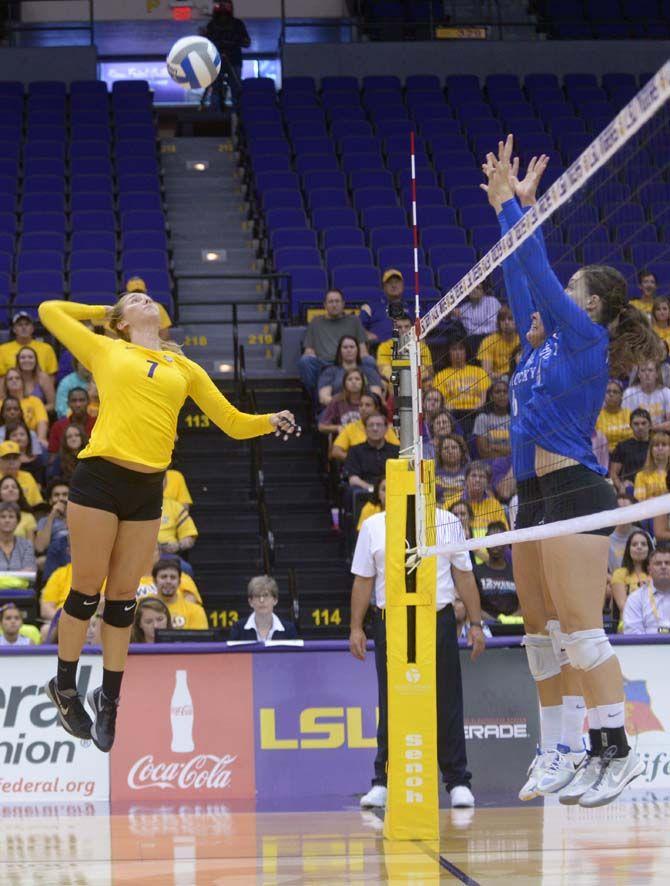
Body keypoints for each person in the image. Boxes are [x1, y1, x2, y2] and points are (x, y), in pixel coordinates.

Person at [483, 134, 662, 805]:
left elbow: (532, 259)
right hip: (531, 498)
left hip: (576, 489)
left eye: (571, 288)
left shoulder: (583, 339)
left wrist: (515, 207)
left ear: (591, 305)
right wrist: (510, 213)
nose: (559, 292)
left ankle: (615, 753)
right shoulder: (539, 344)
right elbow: (517, 272)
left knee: (583, 631)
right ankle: (557, 750)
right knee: (540, 637)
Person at [38, 293, 297, 753]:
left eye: (148, 296)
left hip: (147, 487)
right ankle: (65, 687)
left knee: (123, 599)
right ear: (121, 319)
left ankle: (109, 699)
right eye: (134, 299)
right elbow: (48, 312)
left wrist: (270, 420)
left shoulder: (186, 368)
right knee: (85, 590)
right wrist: (105, 313)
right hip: (99, 477)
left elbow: (233, 423)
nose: (146, 299)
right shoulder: (106, 347)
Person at [350, 504, 486, 810]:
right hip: (392, 621)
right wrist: (356, 627)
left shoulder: (447, 521)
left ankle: (458, 781)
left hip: (437, 618)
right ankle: (383, 781)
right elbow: (363, 579)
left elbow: (463, 574)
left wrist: (476, 624)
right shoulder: (374, 525)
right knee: (390, 701)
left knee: (447, 701)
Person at [298, 289, 371, 397]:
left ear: (343, 304)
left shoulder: (354, 321)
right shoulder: (316, 322)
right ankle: (315, 397)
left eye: (337, 301)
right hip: (324, 364)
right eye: (331, 302)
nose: (334, 305)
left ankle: (369, 398)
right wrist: (311, 355)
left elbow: (363, 349)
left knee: (369, 361)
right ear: (325, 305)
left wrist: (358, 360)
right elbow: (309, 350)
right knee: (305, 361)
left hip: (349, 362)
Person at [432, 340, 489, 431]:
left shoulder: (479, 372)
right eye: (454, 349)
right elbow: (440, 400)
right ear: (448, 353)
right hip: (453, 415)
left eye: (461, 349)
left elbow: (484, 397)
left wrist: (475, 409)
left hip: (476, 414)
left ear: (466, 351)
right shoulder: (440, 376)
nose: (458, 353)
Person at [204, 0, 250, 108]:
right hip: (217, 61)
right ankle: (215, 114)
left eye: (226, 6)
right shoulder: (211, 25)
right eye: (220, 6)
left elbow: (246, 42)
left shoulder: (237, 24)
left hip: (234, 60)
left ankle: (238, 113)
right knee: (216, 88)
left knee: (236, 88)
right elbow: (207, 44)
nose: (223, 8)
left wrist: (234, 41)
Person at [318, 336, 382, 409]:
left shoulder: (369, 371)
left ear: (357, 350)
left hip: (364, 410)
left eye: (352, 347)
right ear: (340, 351)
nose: (349, 350)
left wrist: (359, 405)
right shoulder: (329, 372)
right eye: (345, 347)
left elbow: (376, 396)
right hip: (336, 410)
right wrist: (345, 406)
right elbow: (324, 398)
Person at [331, 393, 399, 461]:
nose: (363, 408)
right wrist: (356, 461)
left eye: (368, 405)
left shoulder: (384, 427)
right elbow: (336, 452)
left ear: (377, 408)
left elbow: (398, 451)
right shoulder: (350, 428)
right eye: (360, 405)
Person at [228, 575, 298, 641]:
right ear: (250, 602)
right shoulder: (238, 629)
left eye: (266, 595)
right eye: (257, 596)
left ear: (275, 600)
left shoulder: (289, 630)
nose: (261, 600)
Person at [343, 413, 399, 495]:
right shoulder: (355, 451)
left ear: (386, 429)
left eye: (379, 425)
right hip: (365, 490)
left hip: (393, 491)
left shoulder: (396, 450)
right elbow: (353, 479)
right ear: (365, 429)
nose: (375, 428)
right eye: (371, 425)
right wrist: (372, 489)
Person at [474, 522, 519, 619]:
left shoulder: (517, 571)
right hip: (485, 626)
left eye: (499, 540)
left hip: (515, 627)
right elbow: (472, 605)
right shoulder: (476, 571)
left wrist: (509, 620)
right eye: (491, 540)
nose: (495, 544)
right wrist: (495, 621)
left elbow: (526, 604)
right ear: (485, 541)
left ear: (506, 543)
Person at [623, 543, 670, 634]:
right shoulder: (636, 598)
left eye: (668, 563)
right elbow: (632, 633)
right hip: (648, 646)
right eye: (658, 563)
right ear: (649, 570)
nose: (663, 567)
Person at [151, 559, 208, 629]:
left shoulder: (196, 611)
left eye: (173, 577)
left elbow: (199, 639)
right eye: (163, 577)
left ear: (179, 582)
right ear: (154, 581)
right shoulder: (141, 607)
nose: (168, 581)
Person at [610, 530, 652, 624]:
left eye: (644, 544)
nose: (639, 547)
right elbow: (623, 606)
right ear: (628, 549)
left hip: (654, 624)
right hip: (628, 624)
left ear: (649, 548)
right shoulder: (620, 574)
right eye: (634, 544)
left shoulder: (656, 573)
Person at [376, 313, 433, 380]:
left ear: (412, 328)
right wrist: (401, 381)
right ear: (394, 329)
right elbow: (383, 369)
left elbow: (429, 371)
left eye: (406, 326)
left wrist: (410, 379)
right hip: (394, 384)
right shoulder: (384, 346)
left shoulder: (421, 346)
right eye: (399, 327)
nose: (403, 330)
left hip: (417, 383)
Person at [0, 311, 58, 378]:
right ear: (14, 329)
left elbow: (52, 376)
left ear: (32, 328)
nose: (24, 327)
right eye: (19, 325)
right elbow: (1, 378)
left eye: (27, 324)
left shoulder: (47, 349)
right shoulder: (2, 350)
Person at [360, 268, 410, 344]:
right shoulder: (370, 307)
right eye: (389, 283)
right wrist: (366, 334)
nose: (394, 285)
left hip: (408, 349)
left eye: (397, 282)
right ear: (384, 287)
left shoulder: (414, 307)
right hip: (377, 350)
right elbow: (357, 326)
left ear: (402, 285)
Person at [2, 367, 49, 447]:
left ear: (23, 382)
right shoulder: (1, 403)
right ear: (5, 384)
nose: (14, 380)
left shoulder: (34, 401)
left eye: (17, 378)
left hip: (32, 440)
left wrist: (41, 438)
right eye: (10, 379)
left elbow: (42, 421)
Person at [609, 408, 652, 495]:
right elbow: (613, 474)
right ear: (630, 426)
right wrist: (621, 487)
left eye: (644, 423)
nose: (640, 427)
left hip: (653, 487)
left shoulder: (656, 445)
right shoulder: (622, 446)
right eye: (636, 424)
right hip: (630, 489)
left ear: (650, 425)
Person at [622, 360, 670, 430]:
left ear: (656, 374)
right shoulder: (629, 393)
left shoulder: (666, 392)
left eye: (650, 370)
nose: (647, 374)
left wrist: (652, 428)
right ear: (638, 374)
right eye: (643, 370)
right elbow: (625, 422)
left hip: (660, 435)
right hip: (636, 435)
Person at [48, 387, 96, 457]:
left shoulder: (97, 424)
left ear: (88, 402)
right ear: (68, 403)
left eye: (82, 400)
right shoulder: (58, 426)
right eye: (74, 401)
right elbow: (53, 454)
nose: (78, 405)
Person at [318, 367, 366, 436]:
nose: (354, 382)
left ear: (363, 383)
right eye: (349, 379)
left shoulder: (369, 400)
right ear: (344, 384)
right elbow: (322, 426)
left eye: (357, 379)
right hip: (342, 440)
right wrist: (338, 428)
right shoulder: (337, 401)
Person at [463, 461, 508, 532]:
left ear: (487, 482)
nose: (477, 480)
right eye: (473, 476)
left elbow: (504, 532)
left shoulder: (494, 505)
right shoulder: (452, 503)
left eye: (482, 476)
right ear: (466, 480)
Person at [477, 305, 520, 379]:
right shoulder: (488, 342)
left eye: (510, 319)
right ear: (498, 323)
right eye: (503, 319)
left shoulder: (524, 338)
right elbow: (487, 373)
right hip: (498, 381)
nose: (506, 322)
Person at [472, 380, 511, 460]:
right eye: (497, 392)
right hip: (490, 464)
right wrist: (508, 451)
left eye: (505, 392)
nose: (502, 394)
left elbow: (518, 450)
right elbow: (484, 452)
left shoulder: (516, 418)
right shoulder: (482, 418)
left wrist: (494, 447)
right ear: (491, 396)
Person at [11, 346, 55, 413]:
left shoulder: (43, 377)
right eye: (23, 357)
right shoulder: (12, 377)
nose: (27, 360)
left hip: (40, 416)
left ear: (36, 360)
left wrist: (35, 411)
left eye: (30, 357)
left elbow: (52, 404)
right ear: (18, 361)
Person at [0, 440, 43, 507]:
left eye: (15, 458)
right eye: (7, 458)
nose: (11, 462)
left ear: (20, 461)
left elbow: (37, 504)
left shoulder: (27, 477)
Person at [159, 486, 198, 556]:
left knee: (180, 567)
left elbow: (189, 536)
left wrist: (178, 545)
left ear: (166, 483)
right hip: (140, 553)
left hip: (168, 554)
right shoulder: (135, 507)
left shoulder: (175, 507)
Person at [633, 429, 670, 501]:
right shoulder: (641, 476)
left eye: (664, 445)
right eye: (656, 445)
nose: (660, 448)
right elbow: (640, 503)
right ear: (651, 450)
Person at [434, 433, 469, 508]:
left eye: (454, 447)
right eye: (446, 448)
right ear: (440, 453)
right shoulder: (432, 474)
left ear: (461, 451)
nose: (450, 451)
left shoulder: (470, 471)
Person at [596, 380, 631, 453]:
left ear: (621, 395)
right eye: (608, 391)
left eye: (615, 392)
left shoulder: (629, 414)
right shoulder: (596, 417)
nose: (611, 394)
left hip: (629, 455)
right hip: (605, 456)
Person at [0, 501, 36, 572]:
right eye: (3, 517)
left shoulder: (26, 545)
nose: (7, 520)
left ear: (17, 521)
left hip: (21, 583)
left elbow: (29, 571)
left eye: (11, 517)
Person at [608, 493, 638, 575]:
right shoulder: (606, 539)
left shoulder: (643, 535)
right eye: (620, 510)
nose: (623, 514)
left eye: (627, 510)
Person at [0, 475, 36, 543]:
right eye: (5, 487)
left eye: (14, 487)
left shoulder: (28, 517)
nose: (11, 489)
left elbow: (30, 548)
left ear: (19, 493)